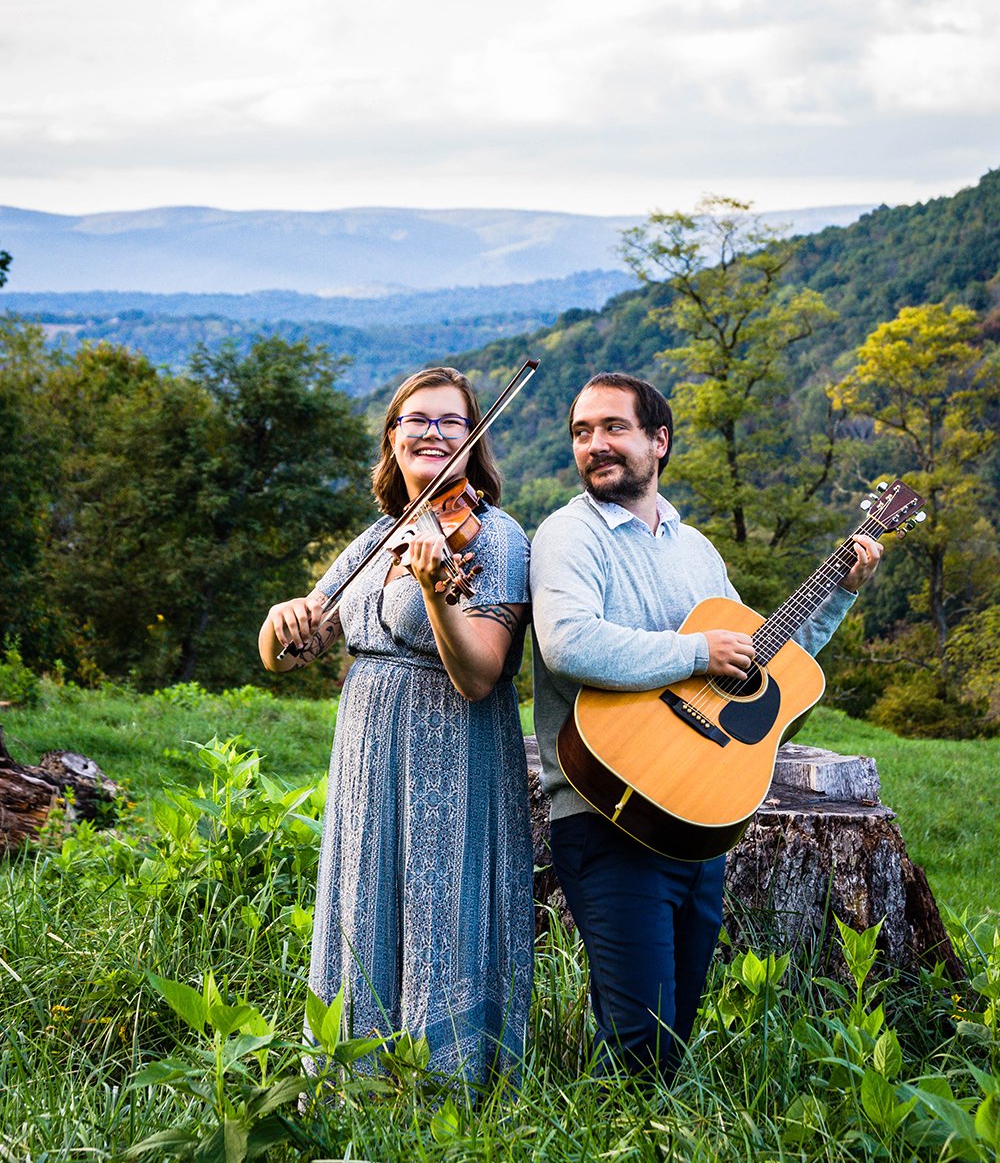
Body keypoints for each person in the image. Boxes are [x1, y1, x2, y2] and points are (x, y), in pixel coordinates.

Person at [530, 372, 882, 1081]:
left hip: (699, 813)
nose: (595, 444)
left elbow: (758, 665)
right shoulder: (569, 533)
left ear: (658, 442)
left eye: (613, 428)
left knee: (673, 1030)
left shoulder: (697, 551)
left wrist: (839, 593)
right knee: (640, 1042)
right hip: (609, 809)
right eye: (581, 432)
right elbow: (567, 643)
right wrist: (696, 650)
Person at [258, 366, 534, 1088]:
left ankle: (448, 1089)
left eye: (451, 422)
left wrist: (442, 597)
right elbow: (292, 651)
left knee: (442, 901)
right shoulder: (381, 535)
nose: (434, 434)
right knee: (364, 899)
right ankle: (354, 1082)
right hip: (365, 758)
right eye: (418, 420)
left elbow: (480, 675)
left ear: (474, 444)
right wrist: (277, 622)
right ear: (393, 437)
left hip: (450, 752)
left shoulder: (496, 540)